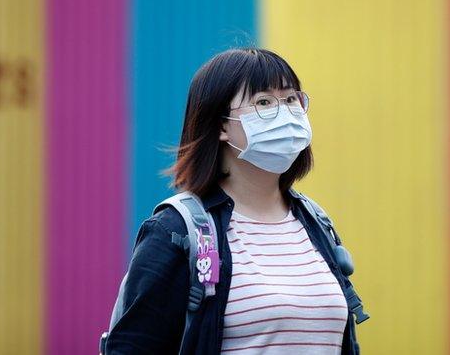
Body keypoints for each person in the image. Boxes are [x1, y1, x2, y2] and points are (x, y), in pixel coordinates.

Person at [103, 47, 363, 354]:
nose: (286, 114)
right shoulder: (178, 231)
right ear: (221, 126)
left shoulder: (315, 222)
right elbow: (133, 346)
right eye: (264, 102)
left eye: (292, 99)